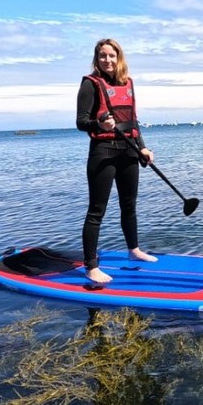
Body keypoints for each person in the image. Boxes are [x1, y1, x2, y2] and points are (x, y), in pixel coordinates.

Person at [76, 38, 158, 284]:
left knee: (129, 205)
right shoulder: (90, 84)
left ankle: (134, 251)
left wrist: (143, 148)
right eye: (102, 56)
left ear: (119, 57)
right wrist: (98, 123)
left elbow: (133, 121)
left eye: (112, 55)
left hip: (129, 150)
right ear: (97, 58)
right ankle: (91, 266)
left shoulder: (128, 83)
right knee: (96, 211)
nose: (107, 60)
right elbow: (81, 122)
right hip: (103, 152)